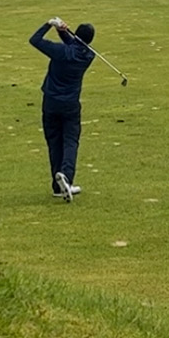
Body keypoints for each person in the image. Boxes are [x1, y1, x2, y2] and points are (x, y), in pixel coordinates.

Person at [29, 15, 96, 202]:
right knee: (70, 141)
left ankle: (58, 185)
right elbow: (76, 46)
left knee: (54, 142)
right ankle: (65, 178)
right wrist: (63, 32)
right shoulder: (89, 55)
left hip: (50, 103)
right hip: (71, 105)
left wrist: (49, 25)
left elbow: (34, 40)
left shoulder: (60, 51)